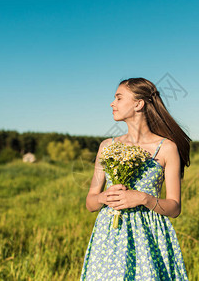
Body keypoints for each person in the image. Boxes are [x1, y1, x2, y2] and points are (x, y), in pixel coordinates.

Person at [80, 77, 191, 280]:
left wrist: (143, 198)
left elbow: (174, 208)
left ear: (139, 104)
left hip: (148, 236)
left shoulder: (166, 148)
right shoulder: (107, 146)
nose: (112, 103)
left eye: (119, 98)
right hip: (109, 236)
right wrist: (103, 198)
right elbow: (90, 202)